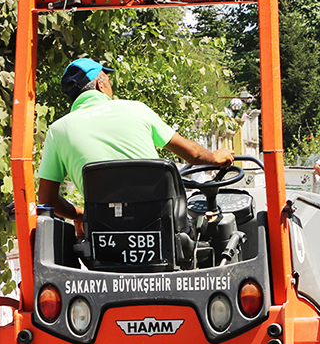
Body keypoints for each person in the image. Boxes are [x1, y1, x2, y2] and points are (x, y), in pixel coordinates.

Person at [36, 57, 232, 221]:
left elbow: (47, 199)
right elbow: (194, 154)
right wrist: (215, 158)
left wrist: (81, 216)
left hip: (105, 236)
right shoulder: (135, 109)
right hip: (162, 225)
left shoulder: (58, 130)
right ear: (100, 84)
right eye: (108, 80)